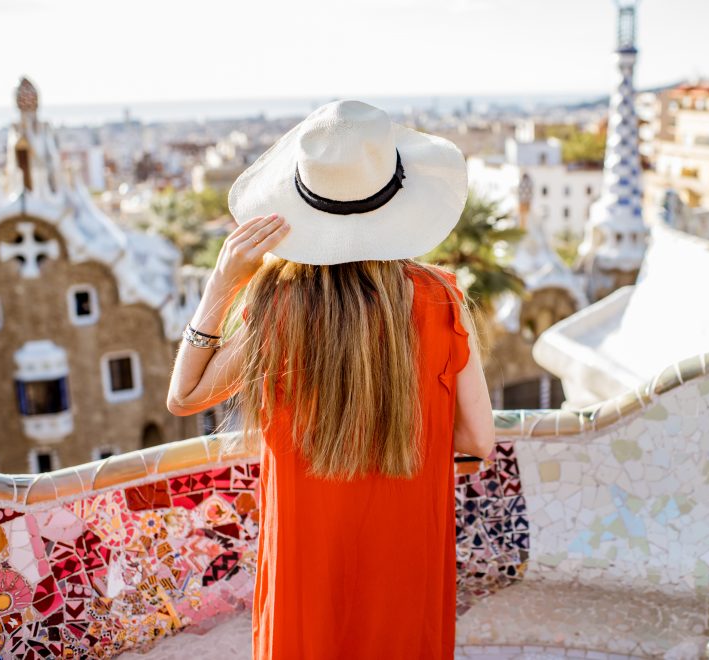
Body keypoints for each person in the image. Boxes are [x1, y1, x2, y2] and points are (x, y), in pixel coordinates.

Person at [165, 99, 496, 659]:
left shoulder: (275, 307)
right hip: (405, 550)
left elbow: (184, 397)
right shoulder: (441, 299)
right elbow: (477, 441)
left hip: (304, 561)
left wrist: (220, 286)